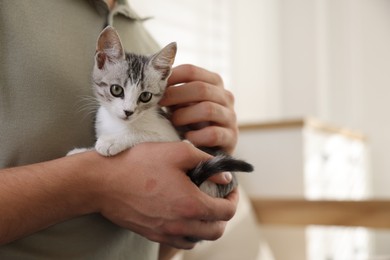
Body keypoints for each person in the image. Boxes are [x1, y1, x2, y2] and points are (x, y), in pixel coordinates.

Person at [0, 0, 239, 259]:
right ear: (101, 59)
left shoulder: (145, 36)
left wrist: (213, 144)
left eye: (143, 98)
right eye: (117, 91)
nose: (127, 109)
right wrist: (94, 182)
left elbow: (160, 239)